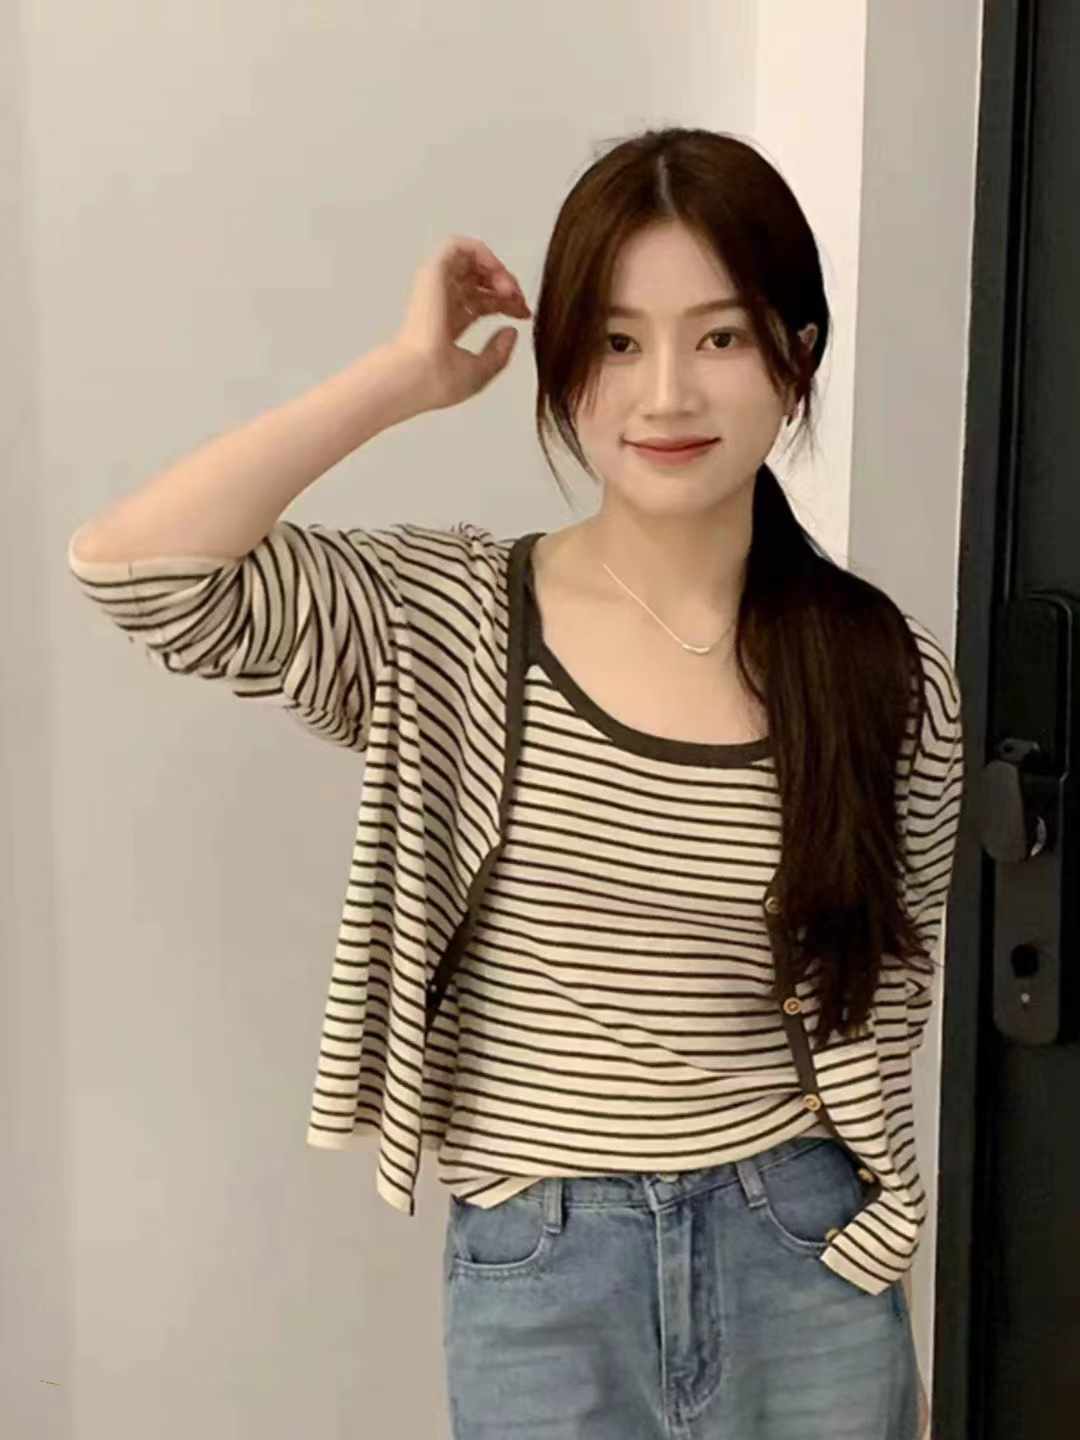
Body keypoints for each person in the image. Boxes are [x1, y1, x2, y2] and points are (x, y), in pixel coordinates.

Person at [69, 127, 955, 1439]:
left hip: (803, 1247)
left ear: (798, 356)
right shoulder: (450, 621)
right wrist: (399, 378)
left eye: (719, 336)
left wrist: (886, 1265)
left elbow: (888, 999)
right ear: (560, 365)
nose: (666, 394)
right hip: (543, 1267)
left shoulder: (886, 673)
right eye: (616, 341)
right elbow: (137, 572)